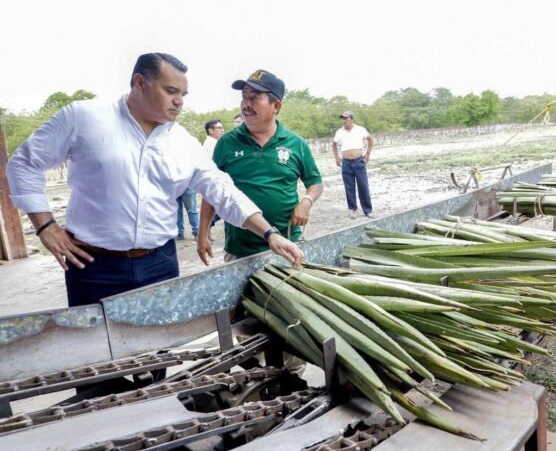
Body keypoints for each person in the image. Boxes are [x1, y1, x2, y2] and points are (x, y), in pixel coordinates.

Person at [7, 53, 304, 307]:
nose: (179, 102)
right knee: (97, 352)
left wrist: (270, 234)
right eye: (171, 91)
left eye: (183, 95)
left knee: (159, 351)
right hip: (93, 266)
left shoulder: (182, 142)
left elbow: (222, 190)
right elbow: (24, 163)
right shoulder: (84, 118)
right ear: (140, 83)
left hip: (160, 264)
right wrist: (45, 226)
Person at [197, 69, 323, 265]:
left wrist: (306, 202)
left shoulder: (295, 143)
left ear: (276, 106)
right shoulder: (226, 143)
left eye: (255, 98)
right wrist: (202, 233)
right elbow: (212, 191)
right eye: (244, 97)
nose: (246, 104)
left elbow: (315, 183)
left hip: (288, 244)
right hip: (240, 249)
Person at [332, 111, 375, 219]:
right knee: (349, 187)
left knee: (363, 186)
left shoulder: (360, 129)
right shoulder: (339, 132)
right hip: (346, 162)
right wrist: (337, 157)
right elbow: (334, 144)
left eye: (346, 118)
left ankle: (368, 210)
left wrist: (367, 155)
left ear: (352, 119)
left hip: (359, 161)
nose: (344, 120)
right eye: (343, 118)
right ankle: (353, 209)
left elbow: (370, 139)